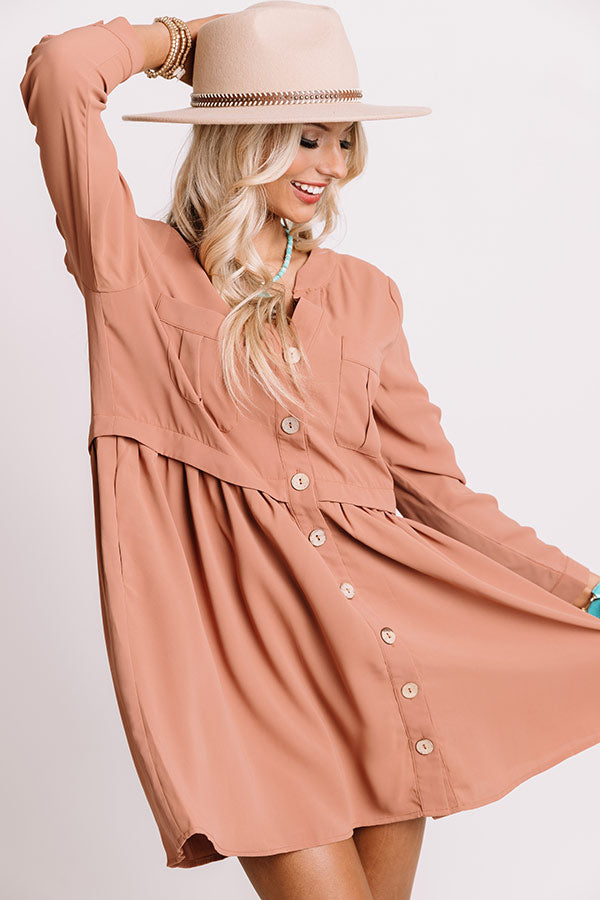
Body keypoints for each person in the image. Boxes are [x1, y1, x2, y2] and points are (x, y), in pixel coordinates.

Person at [20, 3, 600, 898]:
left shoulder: (365, 295)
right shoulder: (131, 269)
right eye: (305, 138)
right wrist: (185, 46)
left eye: (342, 140)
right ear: (240, 141)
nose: (332, 165)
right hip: (241, 676)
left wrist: (582, 590)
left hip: (379, 655)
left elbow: (437, 492)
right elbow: (63, 71)